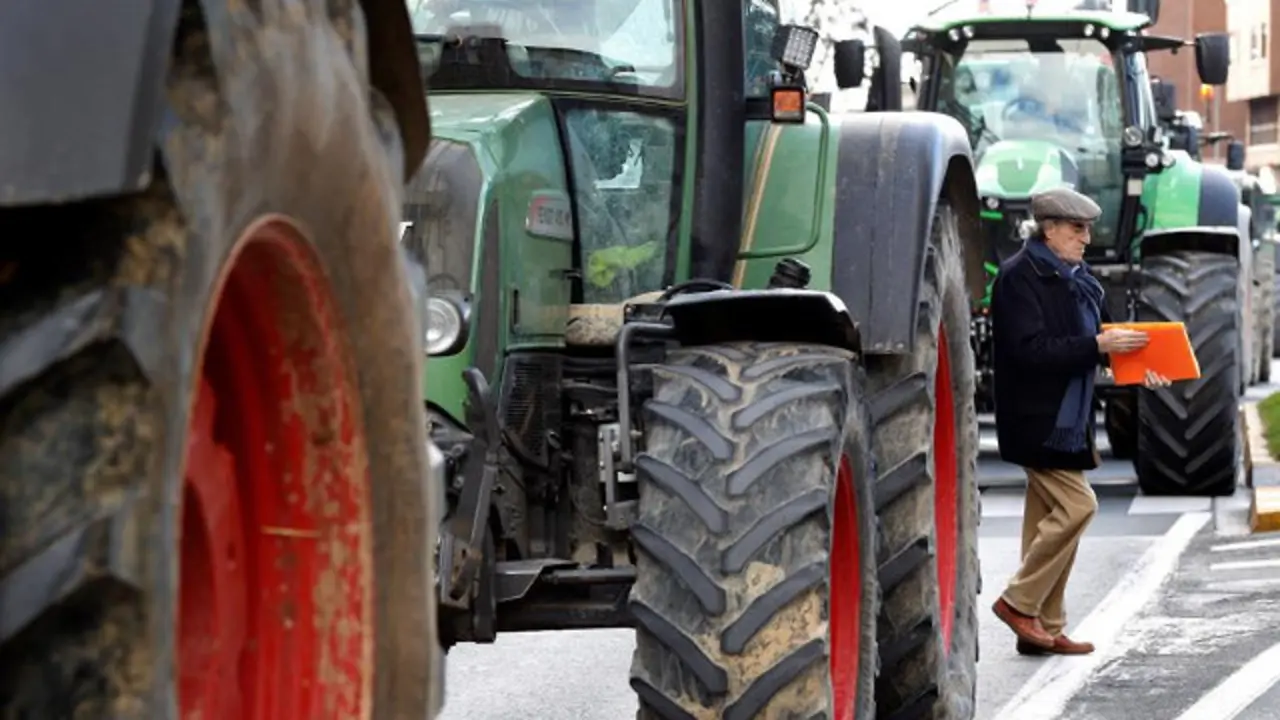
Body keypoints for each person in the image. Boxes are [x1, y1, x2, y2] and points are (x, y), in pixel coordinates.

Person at [989, 186, 1171, 655]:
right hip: (1036, 419)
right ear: (1049, 230)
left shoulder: (1081, 279)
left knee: (1045, 521)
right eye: (1077, 229)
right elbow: (1028, 352)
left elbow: (1108, 341)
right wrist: (1097, 349)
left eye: (1087, 229)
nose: (1086, 238)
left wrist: (1140, 372)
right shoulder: (1017, 278)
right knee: (1079, 507)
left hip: (1069, 417)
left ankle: (1044, 628)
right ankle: (1017, 603)